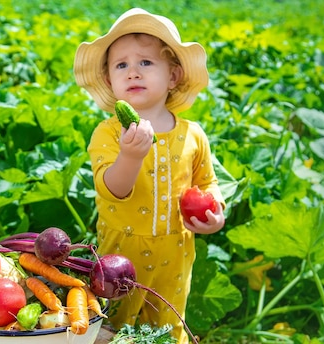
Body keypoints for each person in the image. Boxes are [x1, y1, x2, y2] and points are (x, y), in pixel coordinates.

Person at [73, 8, 226, 343]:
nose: (133, 72)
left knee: (169, 324)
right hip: (120, 250)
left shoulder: (193, 134)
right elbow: (111, 188)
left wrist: (215, 214)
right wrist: (131, 156)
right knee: (114, 323)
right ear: (110, 80)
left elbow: (206, 183)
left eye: (145, 62)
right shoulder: (108, 133)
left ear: (172, 76)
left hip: (176, 251)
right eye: (121, 65)